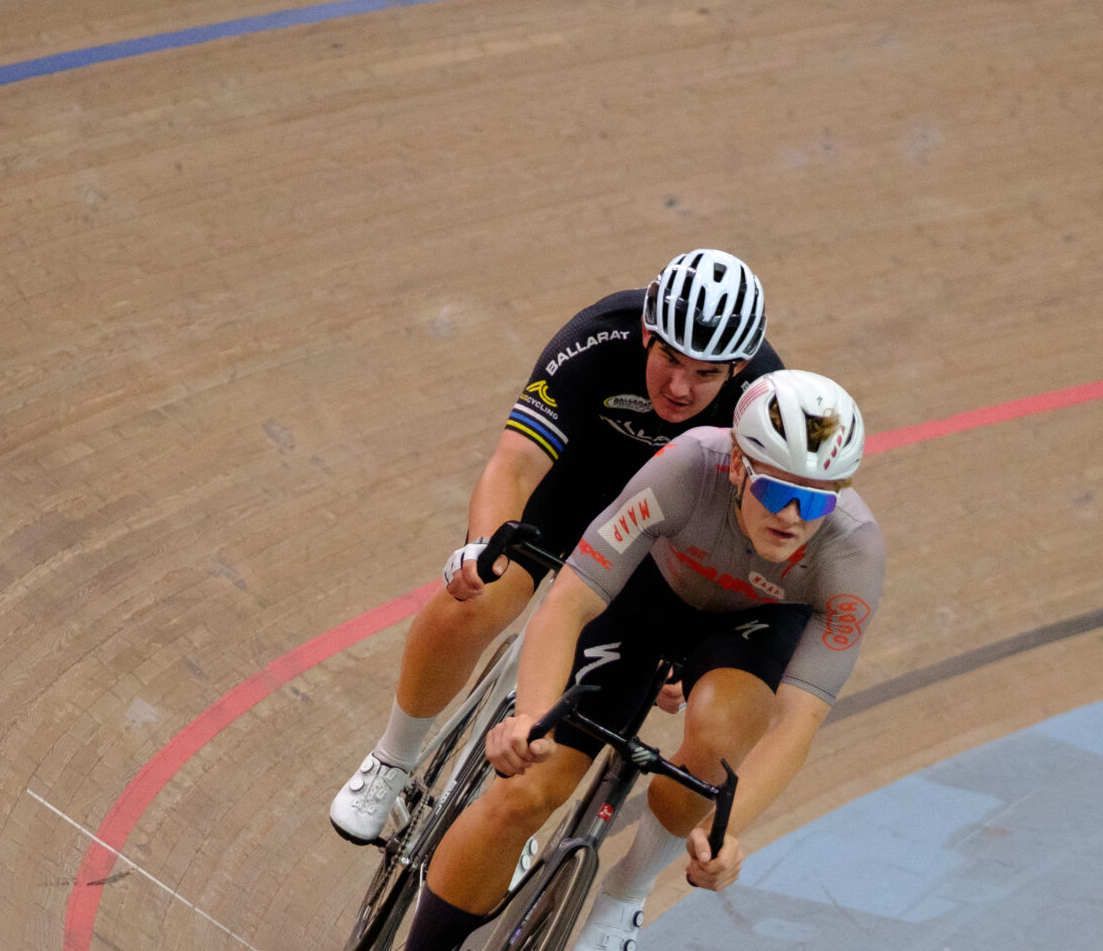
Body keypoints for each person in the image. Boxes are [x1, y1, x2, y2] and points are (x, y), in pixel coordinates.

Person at [331, 369, 882, 951]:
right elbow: (568, 604)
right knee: (521, 796)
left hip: (752, 632)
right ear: (738, 466)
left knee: (718, 739)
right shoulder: (688, 466)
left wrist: (725, 834)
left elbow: (797, 722)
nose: (794, 518)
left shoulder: (852, 553)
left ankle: (626, 892)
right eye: (779, 493)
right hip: (647, 596)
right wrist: (529, 719)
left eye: (817, 501)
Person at [327, 248, 783, 843]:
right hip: (571, 485)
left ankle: (505, 813)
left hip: (664, 528)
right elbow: (515, 465)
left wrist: (687, 648)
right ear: (647, 332)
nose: (679, 386)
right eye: (669, 358)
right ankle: (393, 757)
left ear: (739, 367)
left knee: (608, 665)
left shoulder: (766, 402)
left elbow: (743, 535)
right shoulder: (600, 336)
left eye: (705, 374)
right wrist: (483, 548)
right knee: (477, 597)